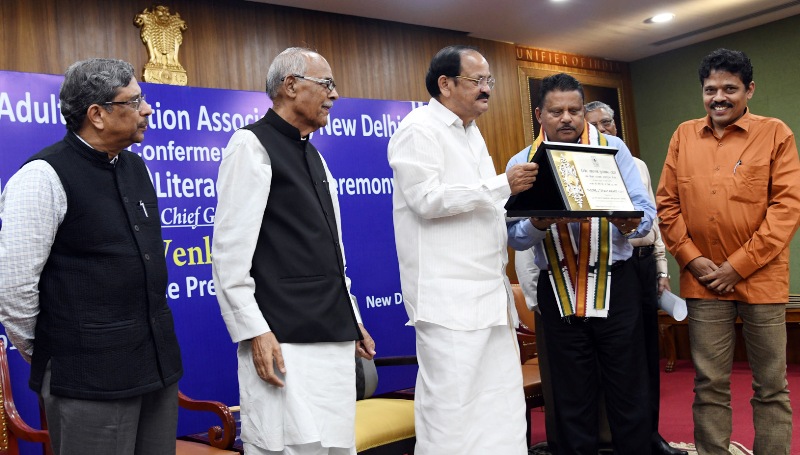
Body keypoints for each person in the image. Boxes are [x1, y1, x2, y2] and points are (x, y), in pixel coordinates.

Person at [0, 58, 183, 455]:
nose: (147, 110)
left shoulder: (136, 167)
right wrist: (60, 352)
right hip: (86, 379)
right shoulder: (41, 177)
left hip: (155, 368)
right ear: (97, 115)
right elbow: (13, 290)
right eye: (134, 102)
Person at [211, 47, 376, 455]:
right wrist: (255, 332)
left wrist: (351, 317)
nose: (334, 95)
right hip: (282, 339)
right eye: (326, 84)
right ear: (290, 86)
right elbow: (230, 256)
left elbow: (331, 252)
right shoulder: (251, 145)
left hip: (331, 335)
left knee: (332, 446)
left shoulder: (315, 153)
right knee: (286, 447)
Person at [387, 45, 539, 455]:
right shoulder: (418, 129)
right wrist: (501, 183)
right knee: (452, 410)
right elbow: (427, 199)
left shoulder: (471, 133)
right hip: (448, 300)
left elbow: (482, 205)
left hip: (489, 294)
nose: (487, 88)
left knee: (500, 405)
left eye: (490, 80)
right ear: (446, 84)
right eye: (478, 81)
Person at [656, 48, 799, 455]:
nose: (719, 97)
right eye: (710, 89)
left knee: (771, 385)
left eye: (729, 89)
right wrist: (691, 258)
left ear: (749, 89)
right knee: (709, 383)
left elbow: (786, 208)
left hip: (762, 279)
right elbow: (666, 203)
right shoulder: (684, 134)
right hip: (703, 284)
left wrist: (737, 267)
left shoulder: (776, 133)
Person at [507, 73, 655, 455]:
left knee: (628, 388)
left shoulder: (613, 149)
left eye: (574, 110)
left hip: (616, 282)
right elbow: (512, 235)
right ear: (540, 114)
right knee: (570, 393)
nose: (567, 118)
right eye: (556, 111)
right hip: (557, 287)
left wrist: (630, 220)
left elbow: (646, 212)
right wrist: (540, 222)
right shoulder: (522, 162)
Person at [585, 101, 687, 455]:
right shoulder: (583, 166)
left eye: (609, 122)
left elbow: (653, 222)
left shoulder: (636, 164)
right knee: (620, 360)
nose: (606, 129)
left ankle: (650, 435)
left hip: (645, 264)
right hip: (610, 268)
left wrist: (661, 270)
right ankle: (616, 436)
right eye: (596, 125)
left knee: (646, 356)